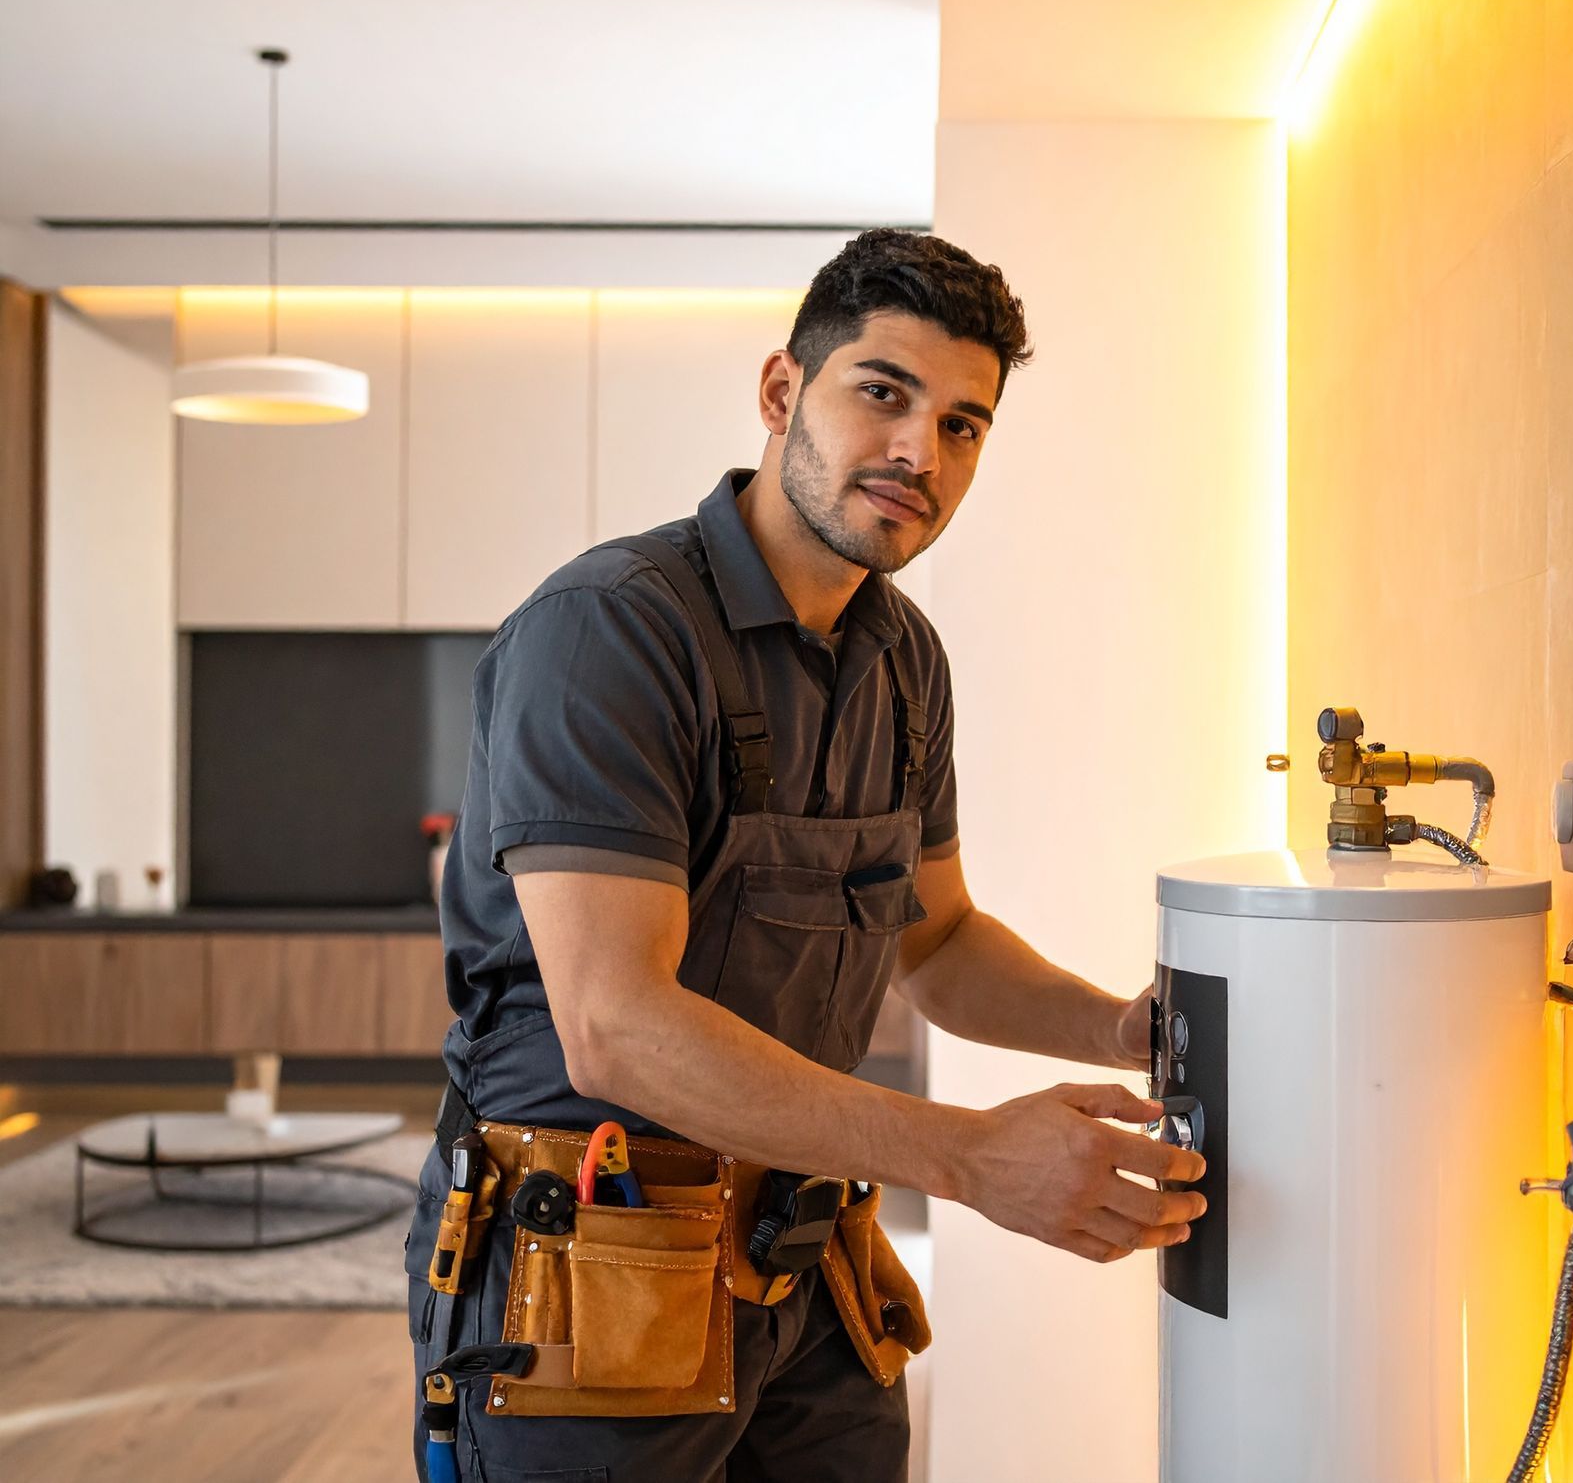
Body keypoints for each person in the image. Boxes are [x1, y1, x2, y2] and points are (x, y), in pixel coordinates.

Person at [405, 229, 1207, 1483]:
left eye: (963, 425)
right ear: (784, 392)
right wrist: (969, 1153)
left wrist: (1118, 1028)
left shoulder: (904, 657)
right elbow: (613, 1024)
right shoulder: (611, 632)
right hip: (589, 1267)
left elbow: (935, 940)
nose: (918, 452)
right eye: (882, 394)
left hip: (807, 1264)